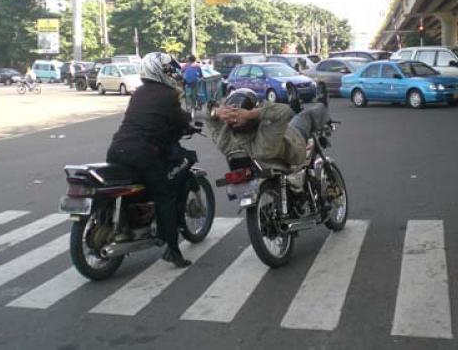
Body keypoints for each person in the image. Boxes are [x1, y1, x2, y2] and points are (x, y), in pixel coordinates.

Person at [106, 52, 192, 268]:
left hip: (117, 150)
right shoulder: (169, 95)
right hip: (142, 153)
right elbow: (179, 121)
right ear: (159, 71)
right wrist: (187, 122)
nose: (172, 74)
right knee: (165, 195)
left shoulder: (138, 93)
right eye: (168, 70)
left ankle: (130, 224)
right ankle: (173, 250)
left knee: (133, 187)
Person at [207, 88, 330, 166]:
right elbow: (285, 112)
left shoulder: (224, 142)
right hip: (294, 143)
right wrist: (250, 114)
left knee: (284, 115)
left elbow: (207, 118)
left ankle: (295, 104)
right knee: (304, 116)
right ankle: (322, 104)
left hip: (265, 145)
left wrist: (216, 112)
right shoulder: (264, 140)